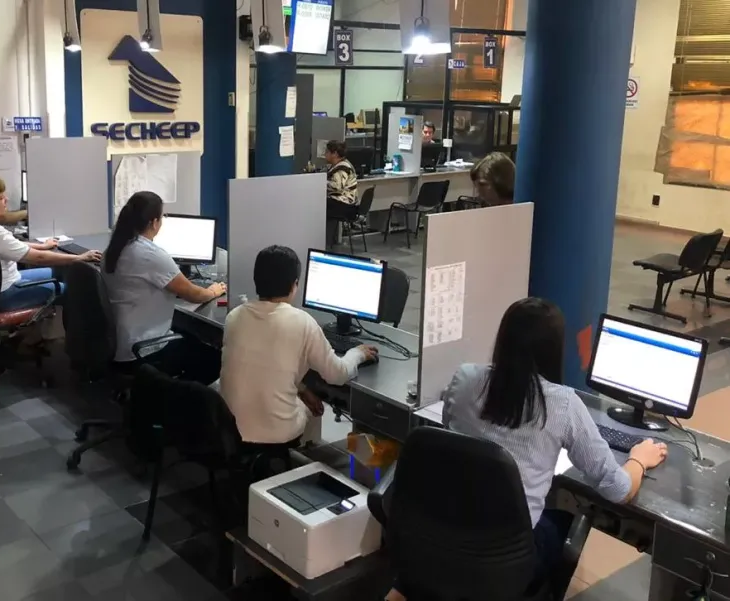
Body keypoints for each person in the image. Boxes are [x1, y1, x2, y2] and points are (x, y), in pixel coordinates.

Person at [385, 298, 668, 601]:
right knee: (566, 519)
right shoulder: (563, 404)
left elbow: (450, 434)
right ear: (555, 349)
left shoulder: (465, 378)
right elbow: (617, 489)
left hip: (437, 535)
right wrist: (639, 460)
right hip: (501, 565)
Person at [220, 245, 377, 461]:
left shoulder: (234, 316)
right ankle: (300, 464)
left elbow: (263, 368)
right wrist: (357, 353)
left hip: (229, 428)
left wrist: (302, 389)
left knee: (302, 399)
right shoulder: (302, 322)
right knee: (312, 410)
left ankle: (282, 463)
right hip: (275, 434)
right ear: (294, 285)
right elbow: (337, 374)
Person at [101, 191, 226, 382]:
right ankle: (173, 395)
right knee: (215, 359)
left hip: (119, 344)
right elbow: (193, 294)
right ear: (154, 222)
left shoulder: (114, 248)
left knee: (190, 337)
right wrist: (212, 291)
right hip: (142, 351)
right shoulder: (149, 254)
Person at [0, 176, 101, 311]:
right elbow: (39, 258)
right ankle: (68, 327)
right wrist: (79, 257)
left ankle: (43, 325)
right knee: (73, 290)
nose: (6, 200)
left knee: (57, 271)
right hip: (4, 293)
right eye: (1, 198)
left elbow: (10, 245)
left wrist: (42, 246)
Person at [324, 140, 359, 247]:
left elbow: (336, 187)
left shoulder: (342, 168)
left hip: (346, 205)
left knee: (322, 206)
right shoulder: (340, 165)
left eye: (327, 152)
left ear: (334, 153)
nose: (325, 154)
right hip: (346, 203)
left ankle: (326, 242)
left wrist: (320, 182)